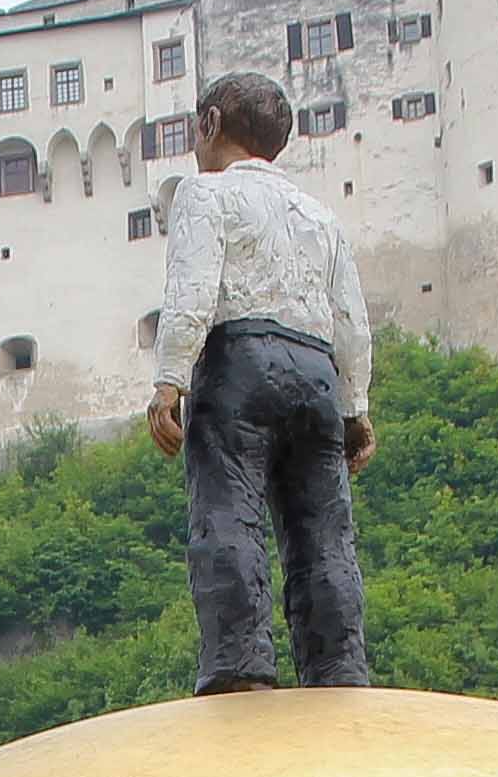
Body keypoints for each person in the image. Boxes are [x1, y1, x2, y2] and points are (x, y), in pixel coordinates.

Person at [146, 71, 373, 692]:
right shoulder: (322, 219)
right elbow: (352, 323)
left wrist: (169, 384)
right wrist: (355, 410)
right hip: (317, 372)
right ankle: (339, 669)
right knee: (324, 531)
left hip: (238, 363)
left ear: (211, 125)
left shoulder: (206, 194)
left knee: (227, 514)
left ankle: (241, 668)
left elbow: (191, 295)